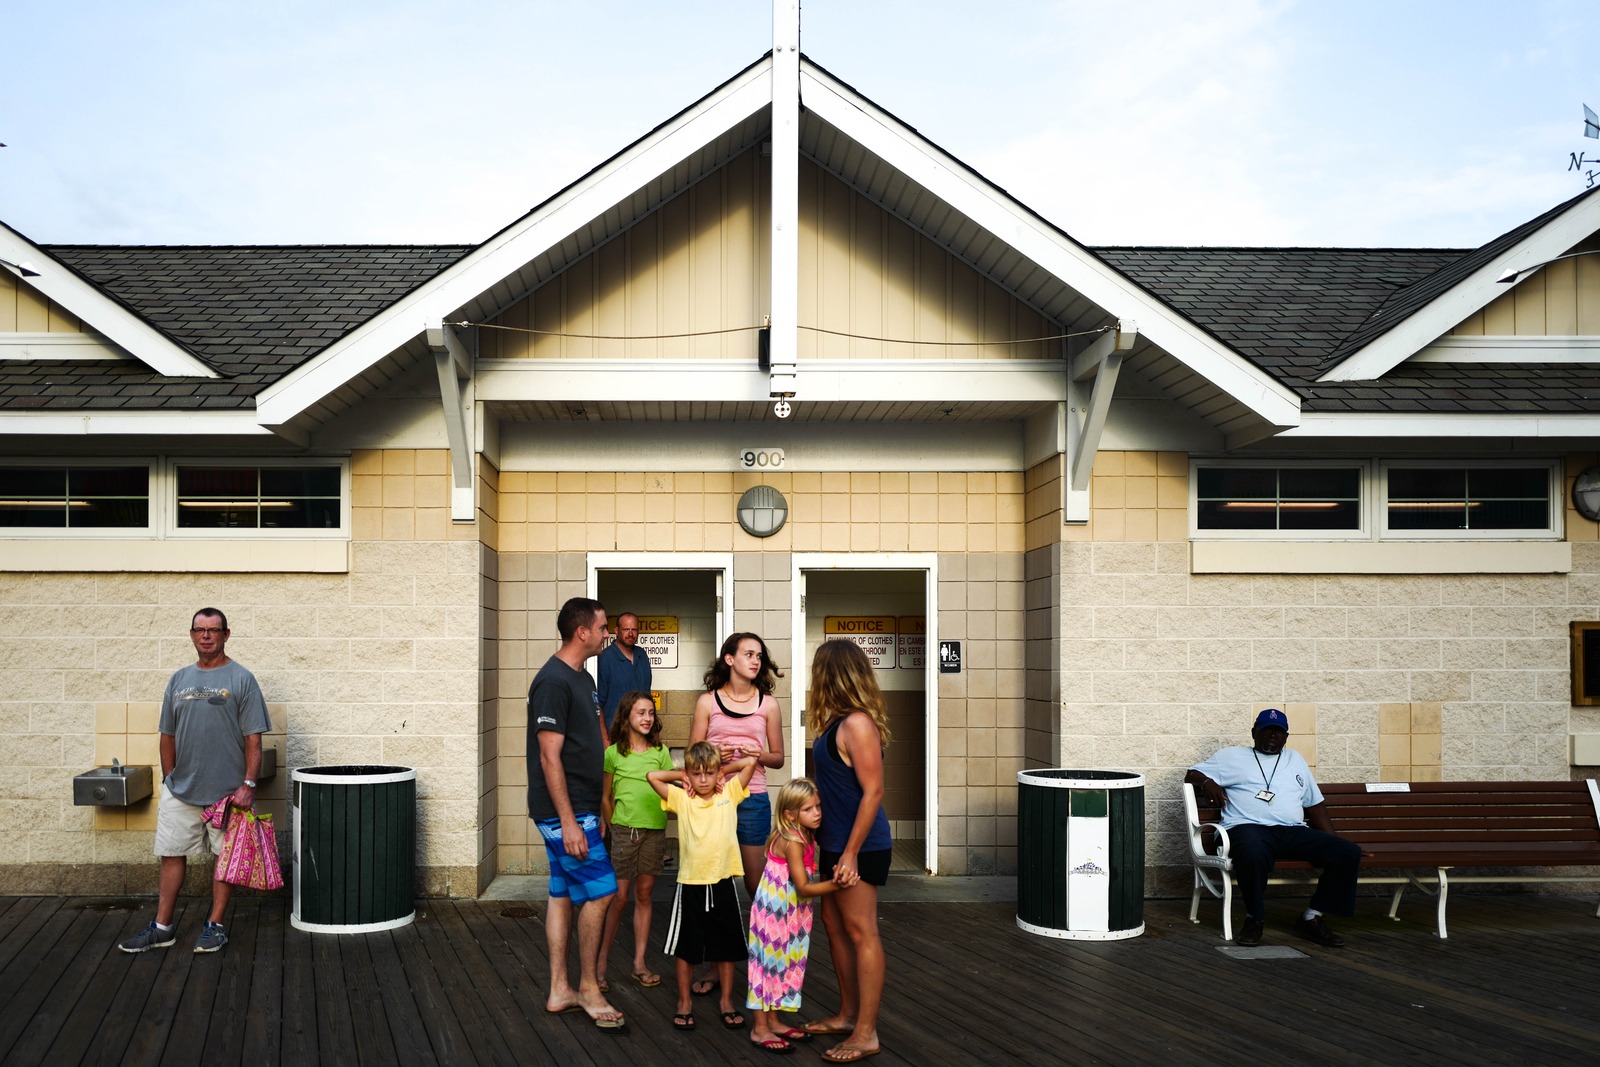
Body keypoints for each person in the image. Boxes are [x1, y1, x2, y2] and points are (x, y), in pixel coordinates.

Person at [118, 608, 269, 955]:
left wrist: (248, 785)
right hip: (181, 790)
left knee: (225, 858)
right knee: (171, 854)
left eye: (213, 630)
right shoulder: (178, 679)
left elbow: (254, 739)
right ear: (191, 635)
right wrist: (170, 777)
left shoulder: (242, 679)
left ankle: (214, 925)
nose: (206, 636)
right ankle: (162, 927)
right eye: (200, 630)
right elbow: (166, 734)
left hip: (228, 793)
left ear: (226, 635)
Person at [1185, 707, 1365, 948]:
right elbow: (1191, 774)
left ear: (1286, 736)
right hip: (1245, 828)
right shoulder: (1231, 756)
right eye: (1266, 730)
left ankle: (1312, 918)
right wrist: (1207, 782)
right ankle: (1254, 918)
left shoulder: (1295, 760)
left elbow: (1315, 805)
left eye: (1278, 732)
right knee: (1252, 849)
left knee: (1348, 852)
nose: (1272, 736)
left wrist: (1333, 843)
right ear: (1254, 732)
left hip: (1292, 831)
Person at [527, 597, 626, 1033]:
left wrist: (596, 808)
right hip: (561, 812)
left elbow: (589, 744)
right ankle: (587, 987)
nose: (608, 633)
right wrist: (569, 821)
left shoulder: (582, 677)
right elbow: (550, 757)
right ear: (582, 632)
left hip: (582, 806)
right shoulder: (553, 682)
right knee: (603, 891)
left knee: (562, 893)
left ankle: (559, 989)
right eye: (604, 627)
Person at [803, 639, 892, 1065]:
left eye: (818, 669)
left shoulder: (857, 724)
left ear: (832, 673)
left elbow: (873, 792)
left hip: (861, 846)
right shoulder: (836, 723)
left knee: (861, 931)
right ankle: (847, 1014)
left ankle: (866, 1032)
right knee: (834, 925)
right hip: (834, 843)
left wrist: (851, 854)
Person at [687, 632, 785, 996]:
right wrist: (716, 751)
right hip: (712, 801)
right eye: (748, 654)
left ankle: (767, 963)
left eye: (759, 655)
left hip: (753, 800)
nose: (756, 661)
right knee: (716, 883)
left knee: (755, 884)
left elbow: (778, 758)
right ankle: (717, 967)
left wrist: (754, 755)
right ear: (729, 659)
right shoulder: (706, 702)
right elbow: (693, 753)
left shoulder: (769, 704)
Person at [647, 742, 758, 1034]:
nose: (704, 779)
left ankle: (725, 1002)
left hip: (722, 882)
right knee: (687, 948)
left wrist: (724, 770)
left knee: (728, 947)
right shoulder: (683, 799)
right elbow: (652, 777)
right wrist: (680, 775)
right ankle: (684, 1002)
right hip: (691, 885)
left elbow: (749, 764)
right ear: (689, 776)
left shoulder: (729, 793)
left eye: (709, 773)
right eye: (697, 774)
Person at [746, 777, 858, 1053]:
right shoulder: (792, 841)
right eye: (809, 809)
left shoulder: (802, 835)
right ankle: (760, 1028)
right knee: (765, 966)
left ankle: (773, 1020)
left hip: (789, 913)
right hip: (775, 914)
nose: (818, 813)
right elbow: (804, 887)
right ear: (790, 814)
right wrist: (838, 884)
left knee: (780, 965)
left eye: (818, 806)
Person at [597, 691, 673, 991]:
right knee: (618, 898)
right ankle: (600, 964)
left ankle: (639, 964)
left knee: (644, 895)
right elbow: (605, 797)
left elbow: (670, 789)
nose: (647, 718)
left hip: (654, 831)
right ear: (627, 715)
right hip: (624, 832)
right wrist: (615, 822)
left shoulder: (661, 752)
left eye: (651, 713)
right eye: (641, 712)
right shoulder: (613, 753)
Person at [595, 612, 652, 729]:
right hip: (615, 733)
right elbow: (598, 705)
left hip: (641, 732)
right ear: (616, 631)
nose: (630, 634)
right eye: (626, 629)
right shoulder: (605, 658)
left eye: (634, 629)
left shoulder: (642, 655)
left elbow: (648, 697)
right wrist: (605, 740)